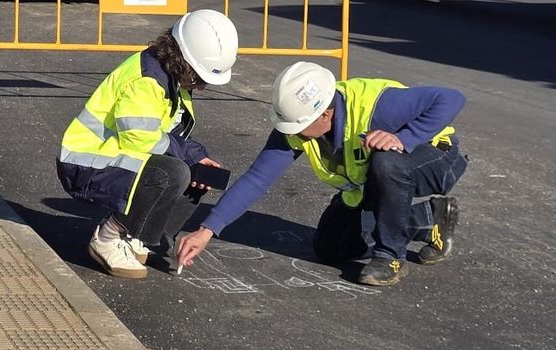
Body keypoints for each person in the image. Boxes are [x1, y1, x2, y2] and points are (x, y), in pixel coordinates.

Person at [175, 63, 467, 288]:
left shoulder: (379, 106)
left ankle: (391, 256)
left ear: (326, 114)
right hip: (373, 184)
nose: (290, 131)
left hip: (434, 159)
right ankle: (428, 219)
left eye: (297, 124)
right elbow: (256, 178)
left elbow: (451, 98)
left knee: (387, 161)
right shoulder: (298, 128)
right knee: (331, 248)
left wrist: (405, 138)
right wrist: (207, 230)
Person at [58, 9, 239, 279]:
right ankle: (108, 237)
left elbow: (172, 131)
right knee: (173, 173)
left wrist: (197, 157)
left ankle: (134, 235)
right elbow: (139, 137)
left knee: (192, 175)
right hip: (85, 164)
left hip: (110, 159)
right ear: (184, 61)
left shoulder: (171, 79)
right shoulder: (146, 81)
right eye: (201, 79)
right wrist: (187, 161)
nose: (202, 87)